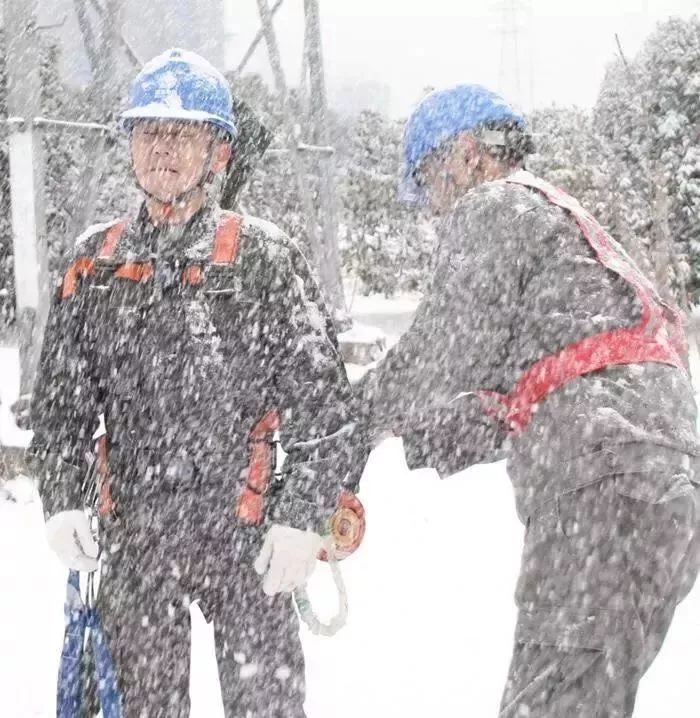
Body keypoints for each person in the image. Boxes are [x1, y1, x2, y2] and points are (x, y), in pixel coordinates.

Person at [28, 48, 365, 717]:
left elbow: (327, 411)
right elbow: (61, 406)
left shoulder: (263, 259)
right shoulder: (95, 264)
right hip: (135, 536)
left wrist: (301, 521)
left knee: (266, 704)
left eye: (184, 133)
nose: (164, 149)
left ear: (219, 152)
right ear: (129, 143)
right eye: (150, 132)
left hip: (248, 534)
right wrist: (62, 499)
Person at [362, 84, 700, 716]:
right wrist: (425, 438)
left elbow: (444, 347)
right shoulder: (559, 225)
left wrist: (349, 419)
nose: (435, 210)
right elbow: (522, 376)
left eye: (430, 184)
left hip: (604, 476)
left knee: (548, 704)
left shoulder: (496, 205)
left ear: (467, 155)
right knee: (587, 698)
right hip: (660, 483)